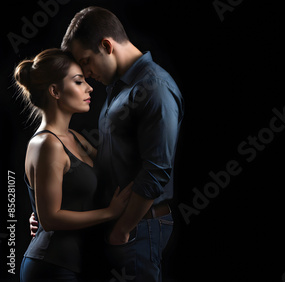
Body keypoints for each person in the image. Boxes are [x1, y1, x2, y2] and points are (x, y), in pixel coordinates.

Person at [31, 6, 184, 281]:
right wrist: (47, 215)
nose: (87, 74)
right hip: (114, 228)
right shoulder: (119, 87)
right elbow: (109, 160)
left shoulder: (155, 87)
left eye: (86, 62)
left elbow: (157, 170)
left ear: (106, 46)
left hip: (138, 227)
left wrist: (122, 228)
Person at [16, 48, 132, 282]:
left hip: (81, 265)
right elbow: (49, 219)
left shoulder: (75, 137)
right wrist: (109, 213)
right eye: (78, 82)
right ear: (55, 91)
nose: (89, 88)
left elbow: (111, 170)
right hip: (51, 267)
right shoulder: (47, 144)